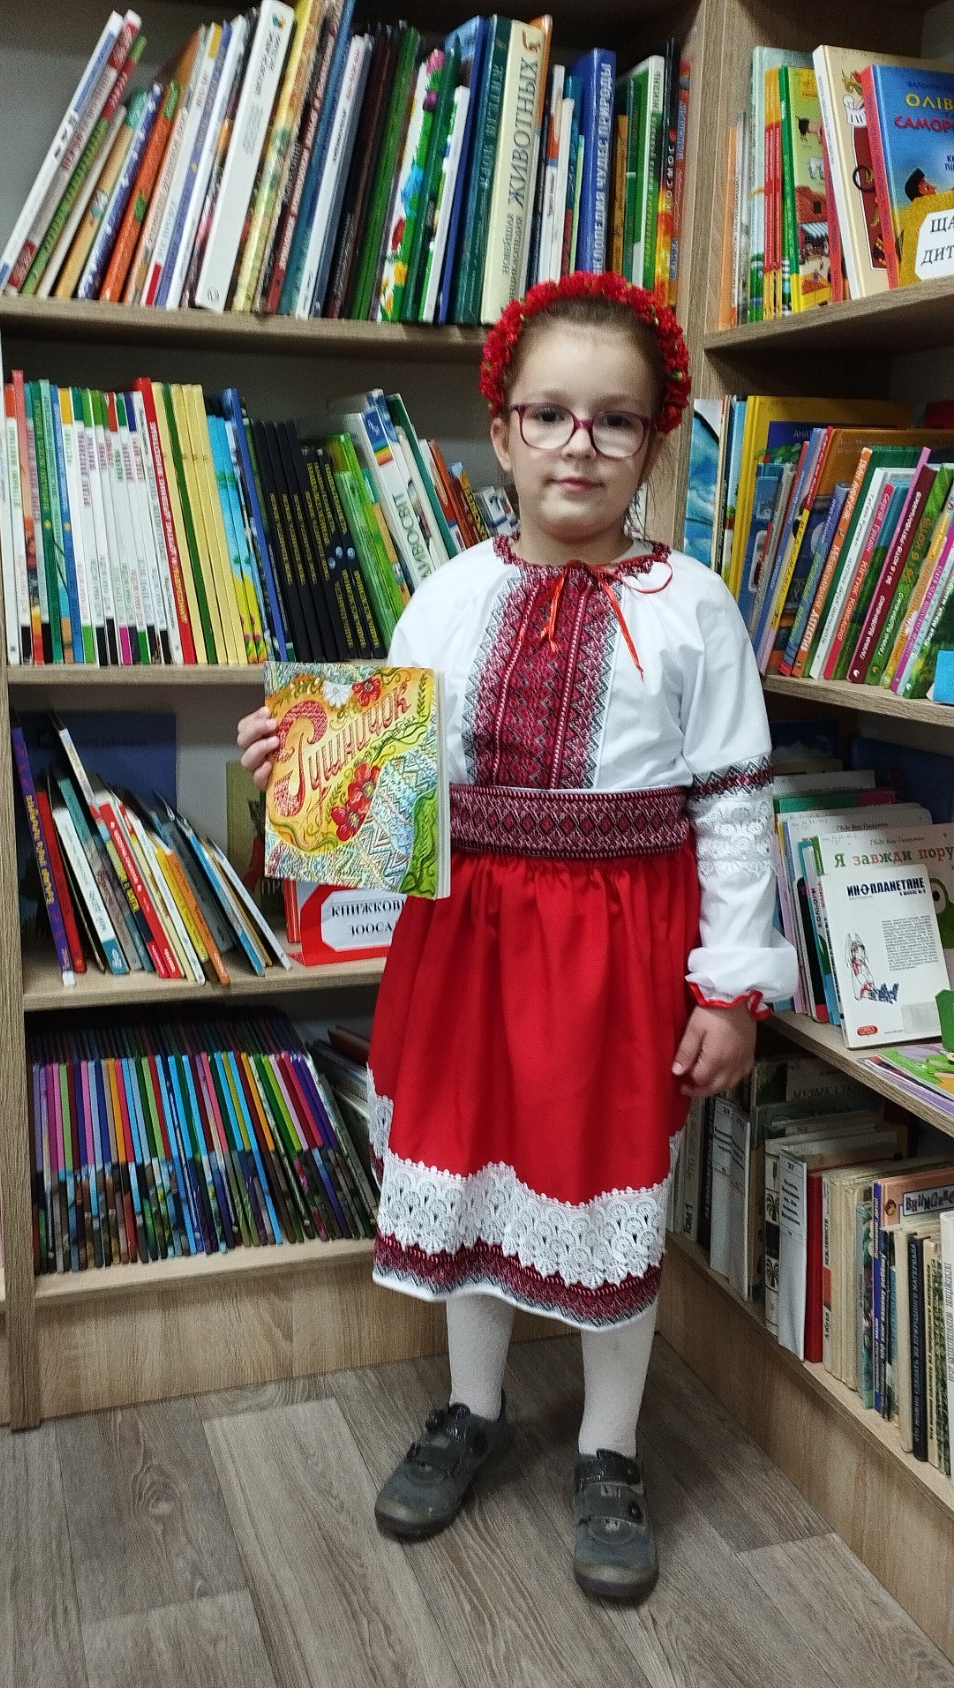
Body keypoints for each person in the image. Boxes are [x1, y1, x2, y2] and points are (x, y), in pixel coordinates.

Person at [237, 271, 797, 1602]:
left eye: (615, 420)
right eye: (548, 415)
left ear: (653, 441)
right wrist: (297, 772)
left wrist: (729, 988)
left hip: (615, 956)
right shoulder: (445, 595)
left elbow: (731, 806)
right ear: (501, 433)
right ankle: (471, 1409)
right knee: (469, 1168)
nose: (577, 447)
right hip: (466, 946)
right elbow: (392, 791)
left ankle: (609, 1448)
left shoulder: (693, 608)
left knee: (612, 1185)